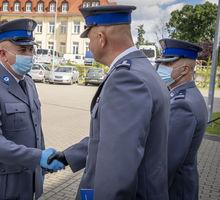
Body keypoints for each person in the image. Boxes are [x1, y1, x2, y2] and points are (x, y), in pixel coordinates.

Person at [48, 5, 170, 200]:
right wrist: (70, 156)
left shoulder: (126, 80)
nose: (88, 46)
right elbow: (113, 138)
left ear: (101, 39)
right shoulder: (141, 70)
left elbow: (117, 167)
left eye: (88, 39)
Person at [0, 18, 65, 200]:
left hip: (28, 181)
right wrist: (38, 157)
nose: (29, 55)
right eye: (22, 50)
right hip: (0, 186)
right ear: (3, 55)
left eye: (31, 50)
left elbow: (36, 128)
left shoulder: (28, 82)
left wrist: (42, 165)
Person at [155, 38, 208, 200]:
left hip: (175, 191)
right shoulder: (184, 95)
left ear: (184, 69)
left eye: (167, 65)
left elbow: (167, 161)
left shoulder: (183, 104)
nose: (160, 68)